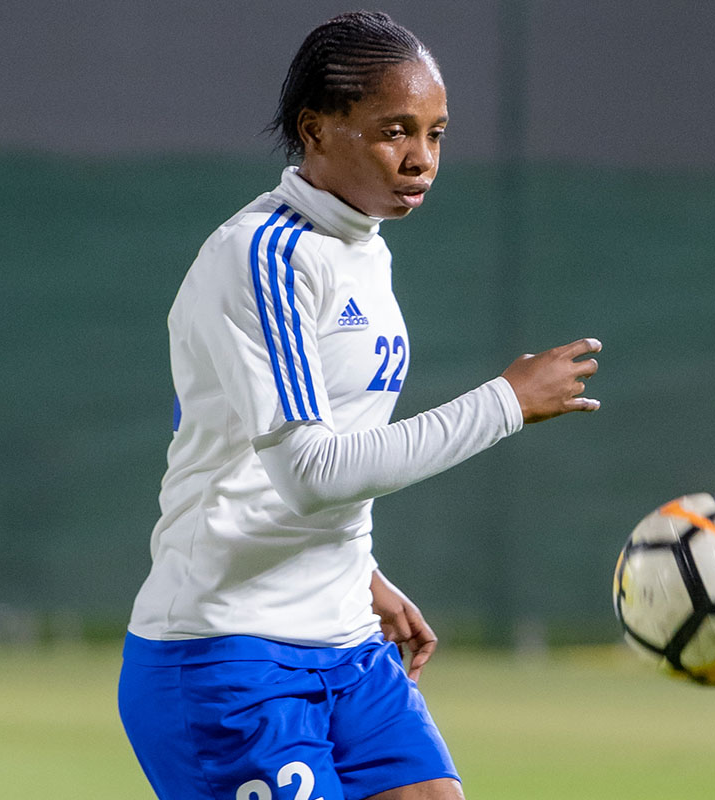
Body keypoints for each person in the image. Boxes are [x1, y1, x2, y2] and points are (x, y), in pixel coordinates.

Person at [118, 11, 601, 800]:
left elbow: (293, 455)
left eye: (436, 134)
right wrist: (505, 403)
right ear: (315, 130)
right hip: (228, 650)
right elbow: (309, 471)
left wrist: (357, 572)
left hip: (344, 641)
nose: (422, 159)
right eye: (394, 131)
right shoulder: (265, 256)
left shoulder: (363, 250)